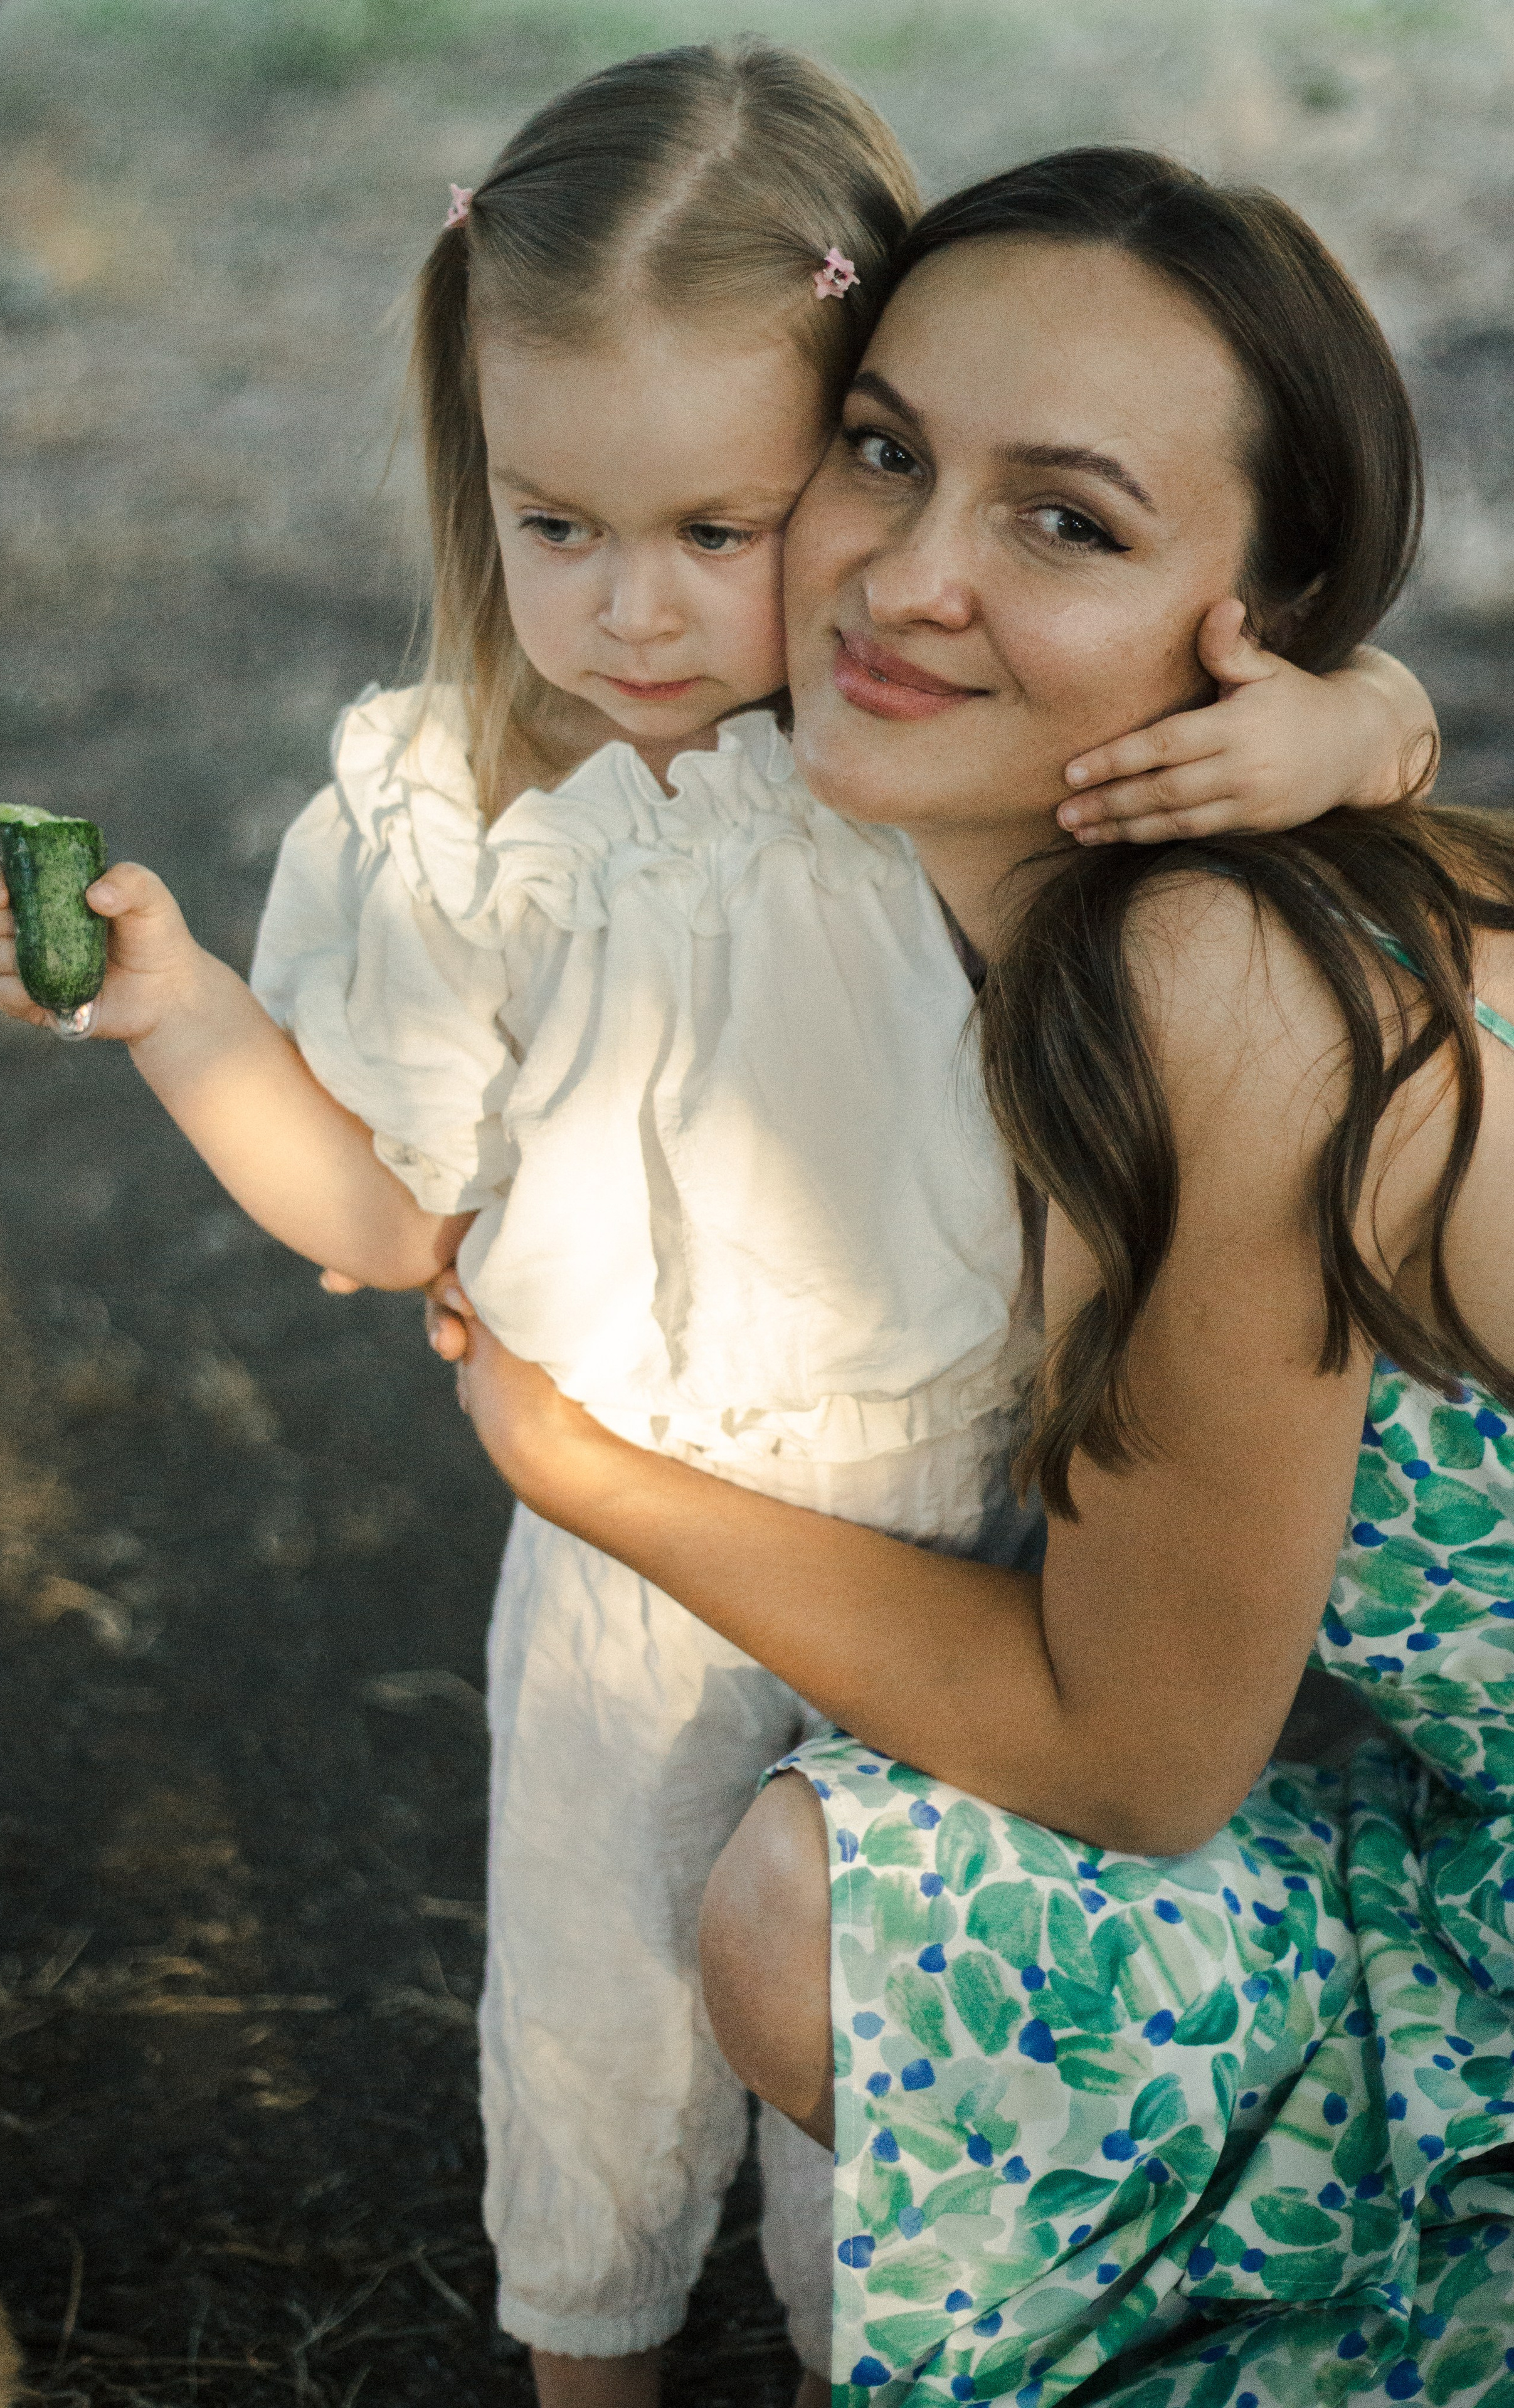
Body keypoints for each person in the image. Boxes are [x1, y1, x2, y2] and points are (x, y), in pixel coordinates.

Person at [0, 53, 1436, 2397]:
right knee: (599, 2017)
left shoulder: (933, 769)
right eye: (557, 526)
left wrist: (1361, 724)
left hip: (970, 1524)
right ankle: (594, 2367)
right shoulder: (495, 812)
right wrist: (187, 1022)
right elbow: (390, 1211)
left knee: (867, 2088)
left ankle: (883, 2351)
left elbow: (1245, 695)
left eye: (717, 525)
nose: (637, 612)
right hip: (630, 1575)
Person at [440, 149, 1514, 2405]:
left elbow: (1138, 1760)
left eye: (1067, 523)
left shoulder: (1213, 977)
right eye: (882, 450)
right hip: (1458, 1846)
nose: (911, 577)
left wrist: (588, 1470)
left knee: (832, 1904)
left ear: (1261, 622)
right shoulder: (964, 888)